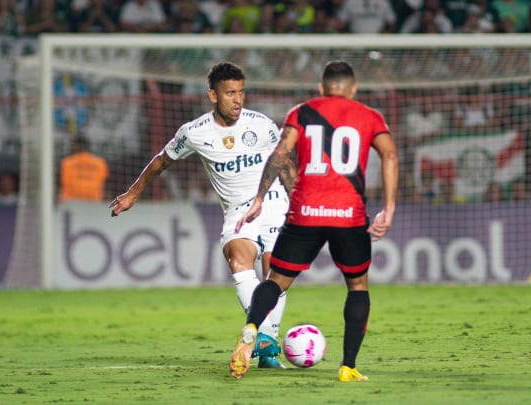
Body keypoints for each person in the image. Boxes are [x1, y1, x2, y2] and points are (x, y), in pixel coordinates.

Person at [109, 62, 291, 369]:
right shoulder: (194, 133)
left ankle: (266, 345)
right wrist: (133, 193)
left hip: (273, 202)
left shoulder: (261, 124)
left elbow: (284, 163)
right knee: (238, 259)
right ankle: (266, 341)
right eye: (230, 93)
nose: (238, 100)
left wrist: (299, 199)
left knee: (274, 274)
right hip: (237, 210)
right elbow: (160, 161)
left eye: (241, 92)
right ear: (212, 95)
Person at [229, 60, 399, 382]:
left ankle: (251, 330)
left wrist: (260, 199)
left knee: (275, 282)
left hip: (305, 211)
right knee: (358, 286)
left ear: (322, 88)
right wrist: (388, 208)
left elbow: (279, 155)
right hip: (348, 214)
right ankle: (347, 366)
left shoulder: (302, 112)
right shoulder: (370, 116)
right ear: (353, 89)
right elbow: (389, 155)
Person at [59, 134, 110, 202]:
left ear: (76, 145)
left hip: (70, 203)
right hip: (94, 203)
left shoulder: (66, 163)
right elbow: (105, 185)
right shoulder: (100, 163)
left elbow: (60, 183)